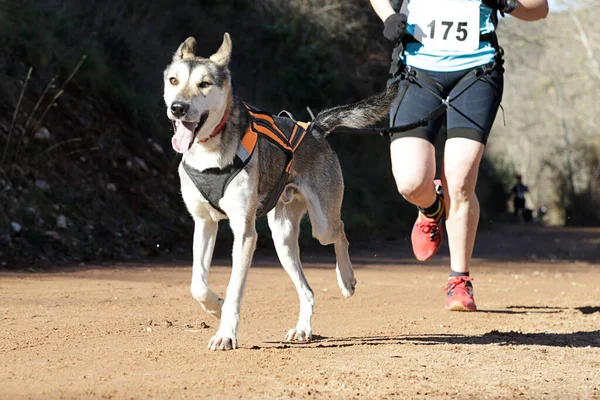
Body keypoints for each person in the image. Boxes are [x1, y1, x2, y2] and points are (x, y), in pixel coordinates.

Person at [369, 0, 548, 311]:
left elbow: (540, 8)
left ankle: (459, 279)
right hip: (416, 71)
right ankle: (430, 206)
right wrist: (389, 16)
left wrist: (508, 3)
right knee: (410, 182)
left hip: (477, 72)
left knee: (461, 178)